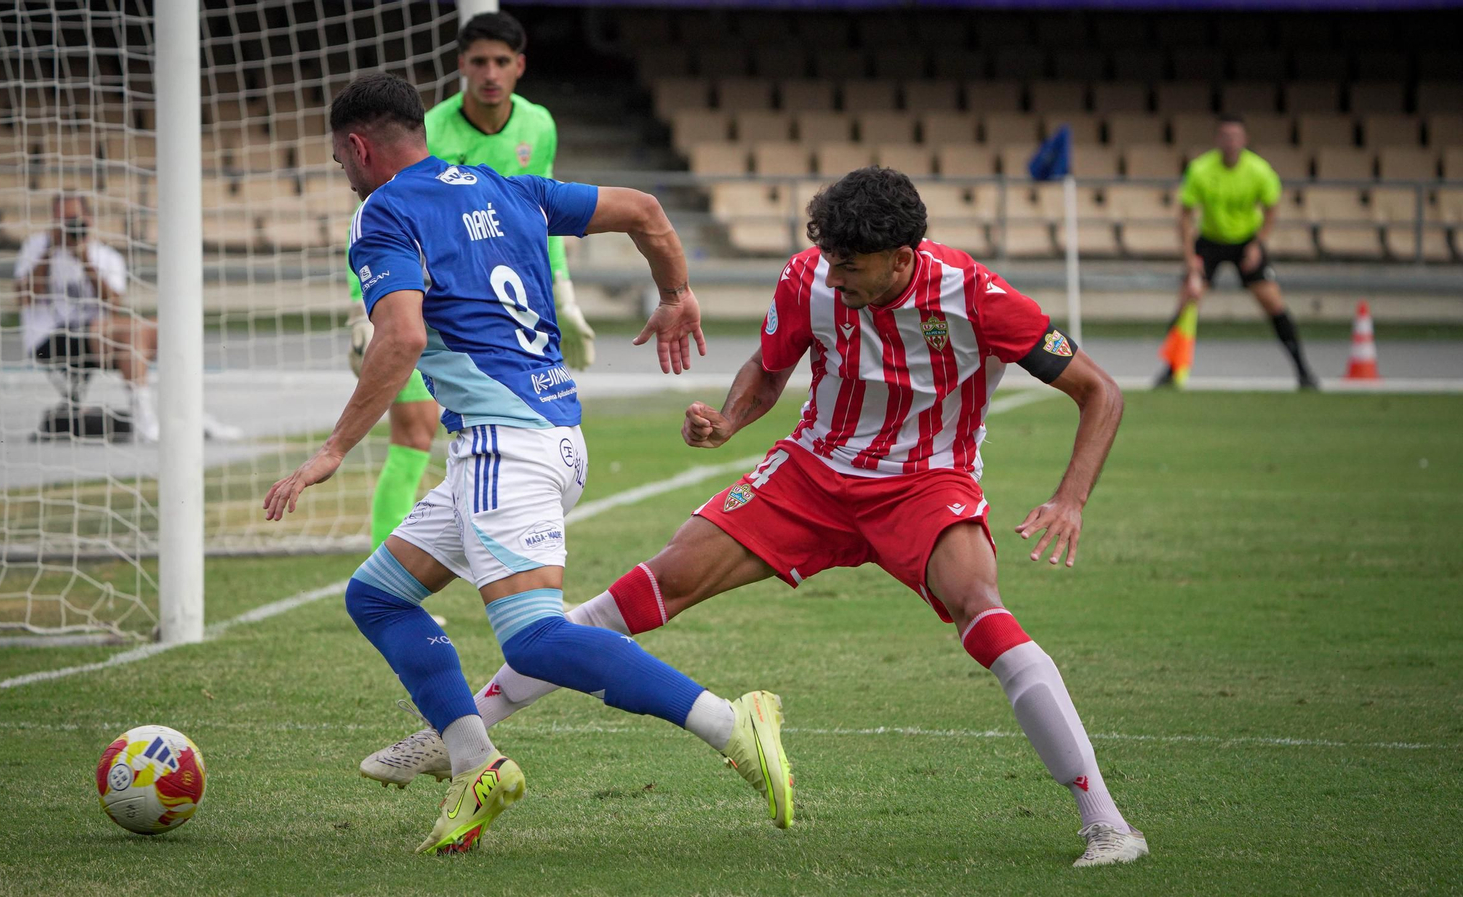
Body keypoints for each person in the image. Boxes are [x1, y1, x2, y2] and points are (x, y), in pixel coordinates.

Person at [365, 167, 1150, 868]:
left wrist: (1070, 497)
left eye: (853, 265)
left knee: (984, 614)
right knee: (649, 587)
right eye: (829, 259)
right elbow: (770, 369)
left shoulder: (977, 296)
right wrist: (730, 420)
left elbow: (1100, 391)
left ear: (903, 259)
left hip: (925, 483)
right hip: (811, 474)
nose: (834, 276)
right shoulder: (810, 277)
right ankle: (460, 733)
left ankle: (1107, 823)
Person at [263, 73, 793, 856]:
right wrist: (676, 292)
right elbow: (646, 211)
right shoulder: (506, 188)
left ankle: (728, 720)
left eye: (340, 160)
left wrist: (333, 448)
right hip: (553, 435)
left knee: (534, 640)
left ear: (357, 146)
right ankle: (476, 763)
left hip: (502, 446)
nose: (344, 174)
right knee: (377, 596)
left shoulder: (382, 212)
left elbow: (402, 337)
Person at [348, 11, 596, 554]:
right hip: (422, 307)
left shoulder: (539, 125)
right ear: (461, 65)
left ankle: (511, 564)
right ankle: (384, 563)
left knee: (507, 437)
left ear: (519, 66)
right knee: (414, 431)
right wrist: (363, 313)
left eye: (501, 62)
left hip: (493, 316)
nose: (489, 72)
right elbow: (380, 225)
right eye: (478, 61)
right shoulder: (428, 128)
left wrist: (565, 296)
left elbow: (545, 220)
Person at [13, 193, 242, 442]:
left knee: (164, 328)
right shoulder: (36, 248)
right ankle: (144, 420)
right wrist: (51, 250)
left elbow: (113, 305)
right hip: (49, 338)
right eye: (61, 220)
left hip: (97, 336)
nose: (67, 227)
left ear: (88, 220)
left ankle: (191, 414)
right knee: (132, 331)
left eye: (73, 220)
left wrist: (84, 259)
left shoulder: (105, 256)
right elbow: (26, 298)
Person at [1158, 114, 1317, 389]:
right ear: (1217, 139)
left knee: (1273, 303)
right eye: (1226, 136)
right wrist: (1190, 260)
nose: (1231, 142)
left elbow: (1272, 208)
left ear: (1244, 140)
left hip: (1246, 241)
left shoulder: (1259, 170)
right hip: (1209, 241)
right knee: (1187, 300)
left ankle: (1303, 371)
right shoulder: (1200, 169)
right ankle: (1171, 369)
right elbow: (1184, 215)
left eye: (1236, 136)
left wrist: (1258, 244)